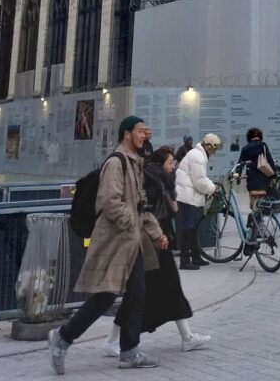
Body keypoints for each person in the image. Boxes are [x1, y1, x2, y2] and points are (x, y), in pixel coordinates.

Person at [48, 115, 168, 374]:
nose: (144, 135)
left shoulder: (135, 163)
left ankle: (129, 351)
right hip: (116, 242)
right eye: (139, 130)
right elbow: (110, 202)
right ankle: (62, 337)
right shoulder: (116, 163)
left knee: (137, 293)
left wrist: (155, 233)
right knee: (105, 297)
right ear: (126, 134)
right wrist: (131, 223)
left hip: (130, 242)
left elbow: (140, 205)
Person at [102, 145, 210, 357]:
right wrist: (159, 231)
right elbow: (151, 212)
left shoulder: (158, 179)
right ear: (160, 164)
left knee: (165, 290)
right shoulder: (154, 182)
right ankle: (111, 341)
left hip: (158, 242)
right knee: (144, 294)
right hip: (154, 245)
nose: (173, 166)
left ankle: (187, 337)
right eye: (170, 163)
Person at [175, 132, 222, 271]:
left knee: (194, 228)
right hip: (188, 197)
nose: (214, 152)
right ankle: (184, 260)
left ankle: (195, 256)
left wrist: (210, 185)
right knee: (188, 228)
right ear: (208, 146)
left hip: (192, 196)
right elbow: (199, 180)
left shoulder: (198, 155)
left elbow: (199, 178)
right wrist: (213, 188)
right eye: (214, 149)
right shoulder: (197, 156)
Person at [235, 127, 277, 206]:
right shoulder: (263, 146)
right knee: (264, 197)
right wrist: (273, 175)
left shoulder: (245, 148)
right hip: (263, 177)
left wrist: (238, 176)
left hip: (251, 178)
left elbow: (240, 164)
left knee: (252, 197)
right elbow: (270, 160)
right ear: (260, 136)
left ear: (249, 137)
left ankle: (252, 207)